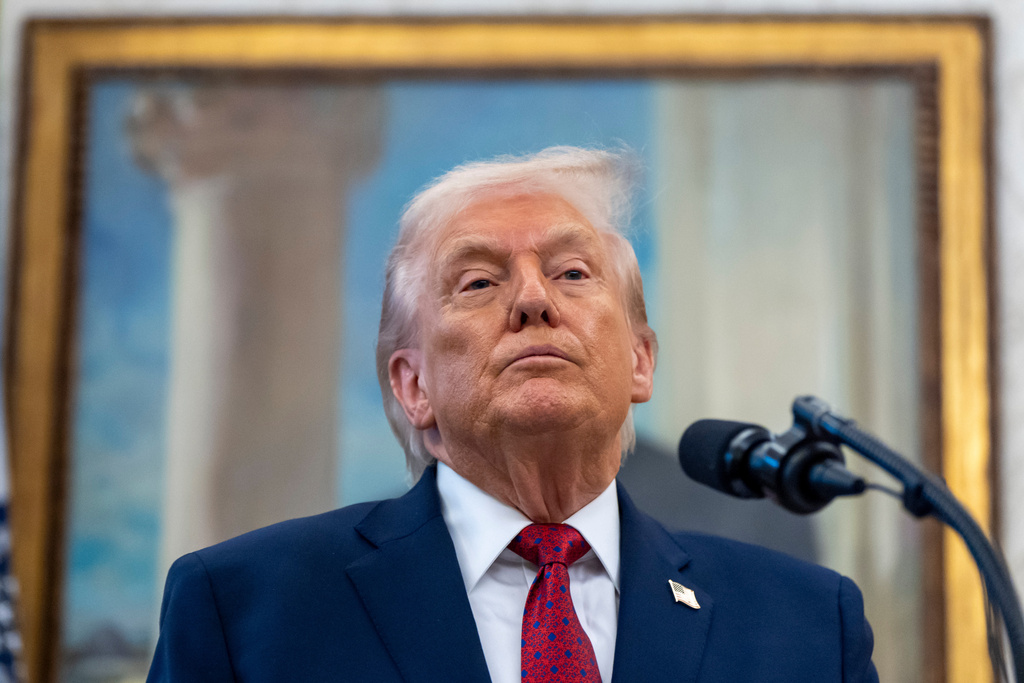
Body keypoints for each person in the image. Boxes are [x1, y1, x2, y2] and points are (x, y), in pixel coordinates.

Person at [147, 147, 878, 682]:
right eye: (478, 281)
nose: (534, 300)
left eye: (571, 272)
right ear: (413, 386)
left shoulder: (807, 623)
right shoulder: (244, 609)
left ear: (639, 361)